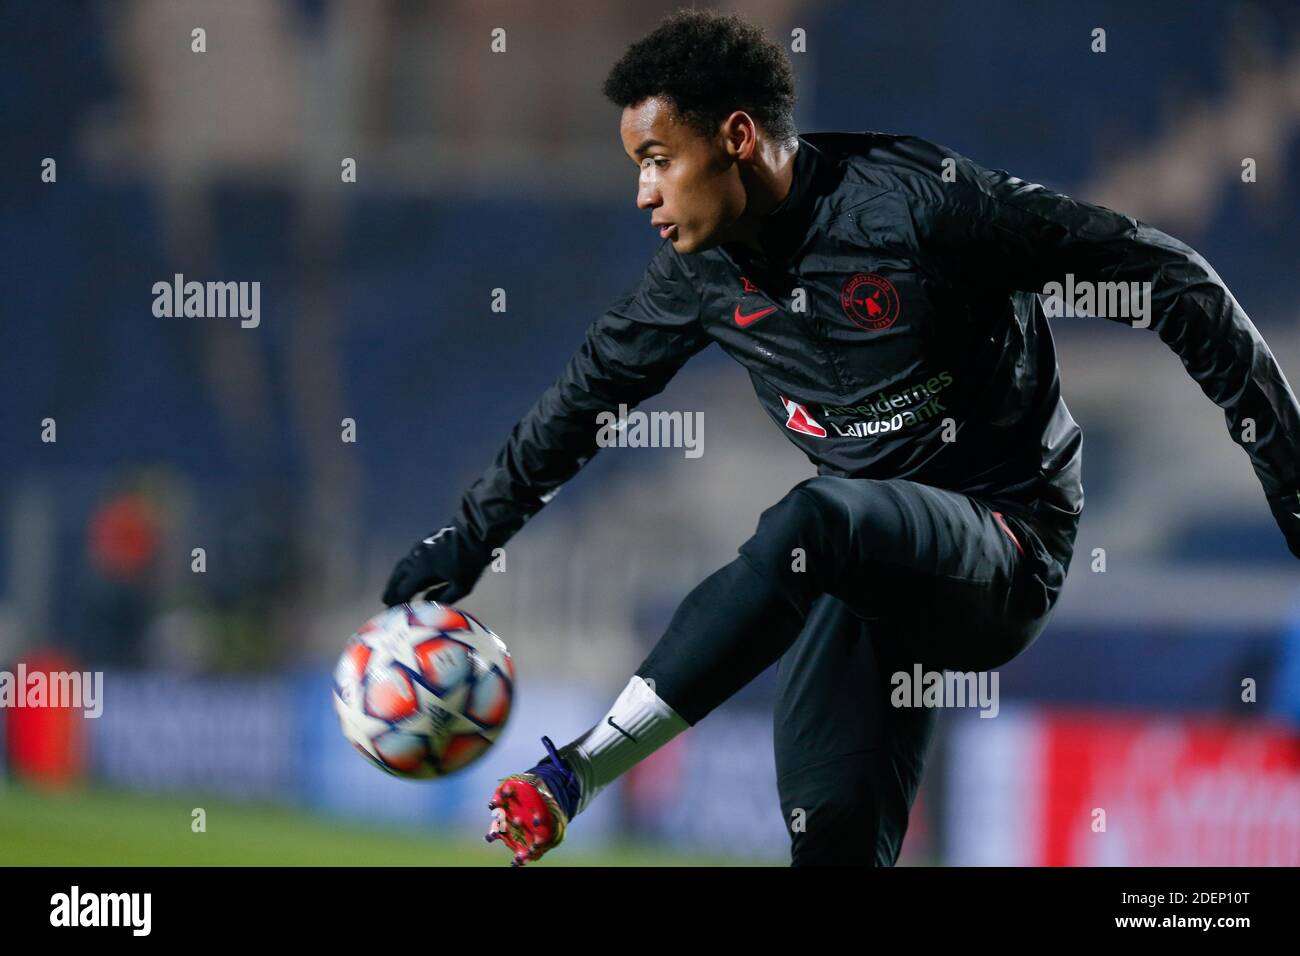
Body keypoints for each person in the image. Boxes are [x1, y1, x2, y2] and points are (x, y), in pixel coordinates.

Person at [383, 11, 1300, 866]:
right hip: (858, 582)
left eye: (658, 158)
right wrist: (463, 543)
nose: (642, 192)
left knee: (813, 519)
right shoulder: (696, 280)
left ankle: (572, 773)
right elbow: (575, 412)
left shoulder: (920, 208)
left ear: (736, 138)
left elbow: (1170, 279)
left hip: (1005, 540)